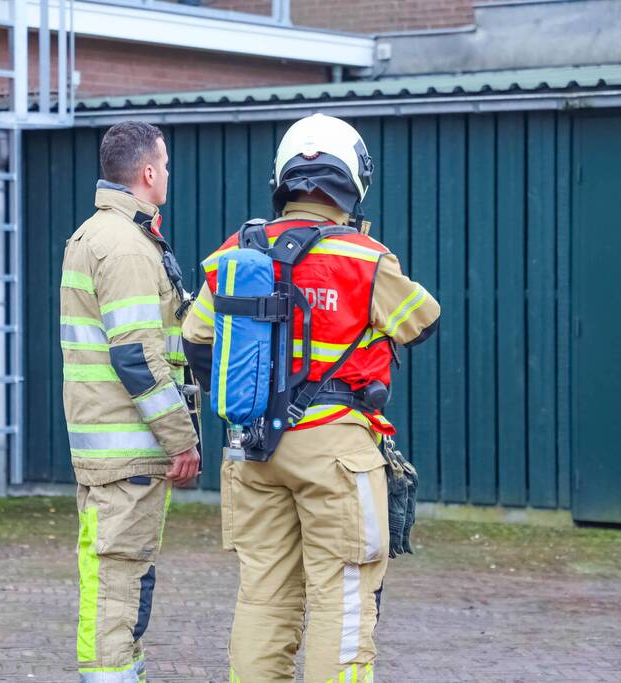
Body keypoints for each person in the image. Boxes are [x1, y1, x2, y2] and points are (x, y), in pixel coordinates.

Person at [181, 113, 440, 682]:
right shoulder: (364, 257)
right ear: (353, 178)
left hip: (252, 450)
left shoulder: (236, 249)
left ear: (284, 177)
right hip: (336, 453)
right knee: (342, 601)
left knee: (264, 596)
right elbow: (422, 320)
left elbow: (196, 336)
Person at [60, 121, 200, 682]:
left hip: (105, 450)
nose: (166, 174)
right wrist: (182, 440)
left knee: (108, 575)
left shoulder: (92, 236)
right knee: (120, 581)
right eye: (163, 165)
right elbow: (137, 358)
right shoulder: (125, 247)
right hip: (131, 455)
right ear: (147, 173)